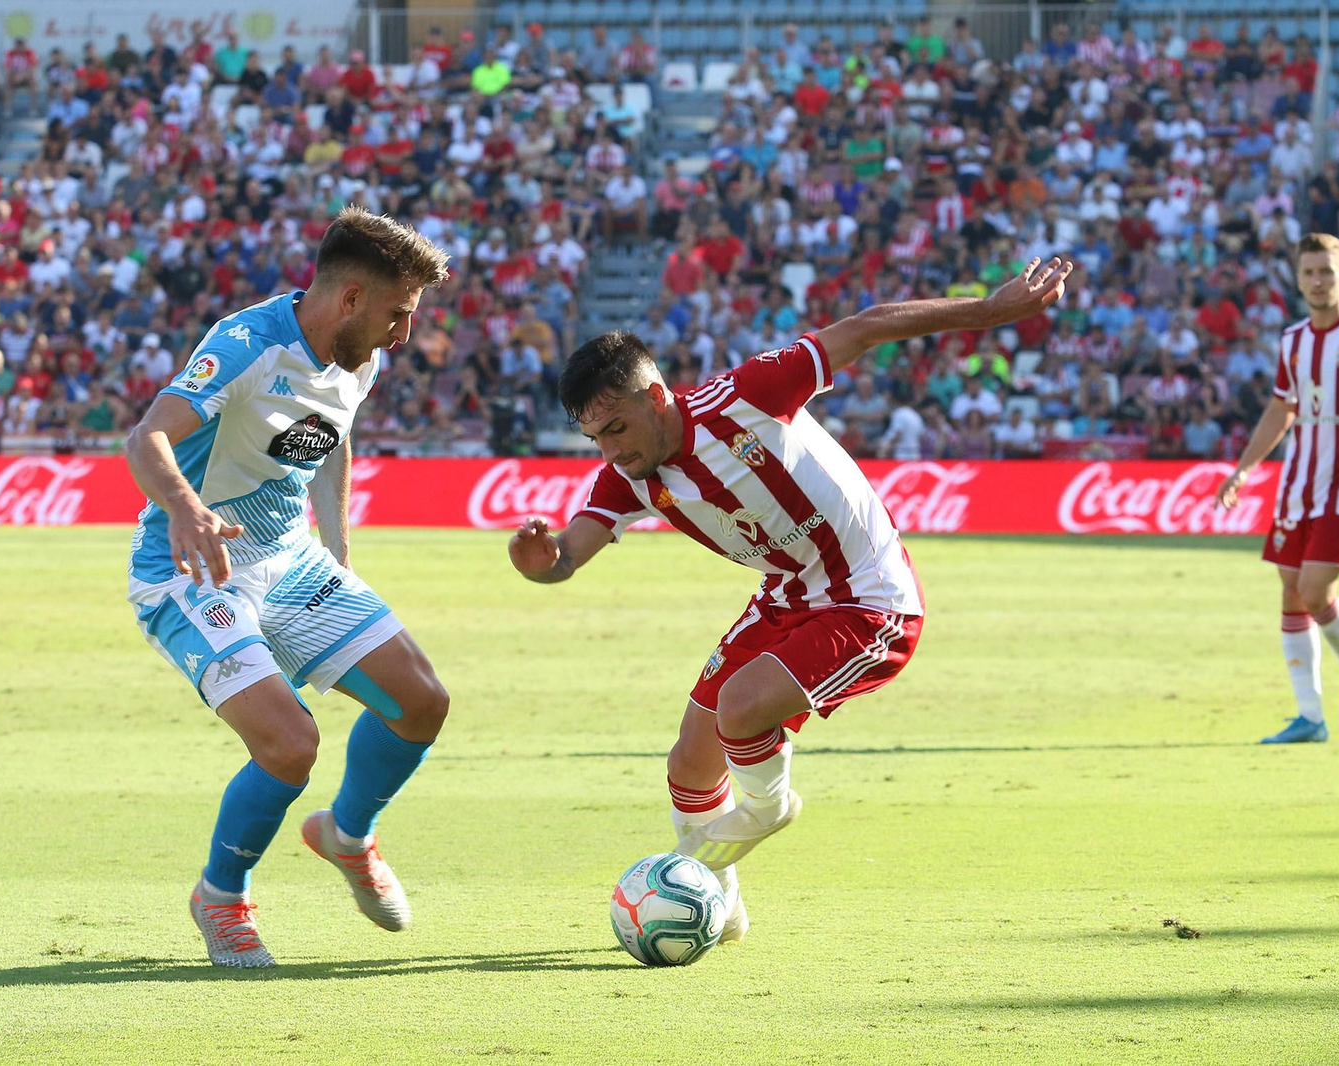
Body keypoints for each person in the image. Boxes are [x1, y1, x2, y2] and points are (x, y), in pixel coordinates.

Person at [508, 257, 1074, 938]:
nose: (609, 451)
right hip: (788, 593)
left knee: (742, 710)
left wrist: (988, 309)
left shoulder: (745, 396)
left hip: (870, 597)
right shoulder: (629, 478)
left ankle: (762, 812)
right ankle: (721, 905)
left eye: (617, 429)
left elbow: (864, 329)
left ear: (657, 398)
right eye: (594, 438)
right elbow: (568, 556)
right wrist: (537, 562)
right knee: (690, 759)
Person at [123, 207, 452, 967]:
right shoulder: (247, 344)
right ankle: (221, 896)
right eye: (399, 314)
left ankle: (348, 834)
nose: (404, 334)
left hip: (291, 559)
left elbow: (329, 439)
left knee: (422, 702)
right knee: (290, 742)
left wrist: (338, 547)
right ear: (350, 300)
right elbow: (147, 437)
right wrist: (185, 509)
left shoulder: (361, 355)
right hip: (190, 568)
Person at [1215, 233, 1339, 745]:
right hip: (1296, 485)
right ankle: (1309, 716)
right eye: (1308, 272)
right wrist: (1243, 468)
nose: (1317, 280)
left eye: (1327, 271)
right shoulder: (1293, 340)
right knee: (1290, 590)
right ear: (1298, 277)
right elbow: (1281, 409)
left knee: (1315, 590)